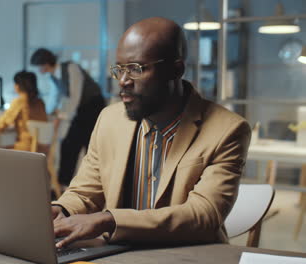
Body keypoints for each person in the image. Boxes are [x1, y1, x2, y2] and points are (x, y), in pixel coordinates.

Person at [50, 17, 251, 249]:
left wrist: (109, 220)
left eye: (136, 69)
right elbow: (86, 191)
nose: (123, 81)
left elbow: (203, 215)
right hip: (115, 254)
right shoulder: (109, 119)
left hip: (186, 256)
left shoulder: (227, 129)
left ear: (176, 70)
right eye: (119, 69)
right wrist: (61, 209)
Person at [30, 48, 106, 186]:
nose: (39, 70)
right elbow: (57, 97)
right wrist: (49, 113)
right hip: (81, 110)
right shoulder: (54, 76)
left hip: (93, 106)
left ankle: (83, 184)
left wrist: (64, 115)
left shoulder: (71, 67)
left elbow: (75, 96)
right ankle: (63, 184)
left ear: (46, 63)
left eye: (39, 66)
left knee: (86, 145)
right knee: (70, 145)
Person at [0, 71, 47, 151]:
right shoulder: (40, 102)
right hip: (42, 149)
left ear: (18, 86)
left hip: (26, 148)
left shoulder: (19, 102)